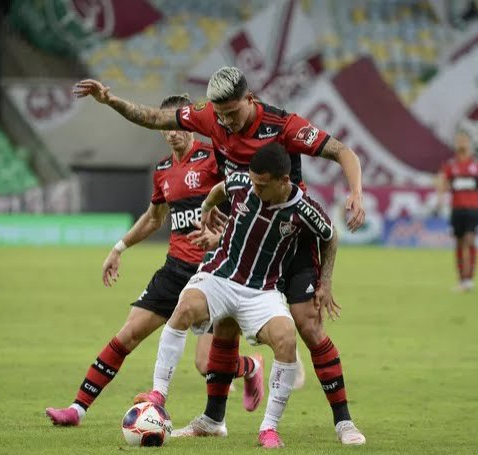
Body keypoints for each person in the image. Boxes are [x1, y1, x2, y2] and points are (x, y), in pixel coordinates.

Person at [73, 66, 366, 444]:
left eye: (232, 112)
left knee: (308, 326)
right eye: (220, 114)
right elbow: (154, 118)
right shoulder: (210, 116)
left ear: (250, 99)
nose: (225, 121)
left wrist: (355, 192)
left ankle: (343, 421)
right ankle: (213, 419)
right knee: (223, 320)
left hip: (287, 233)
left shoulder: (284, 124)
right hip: (241, 234)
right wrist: (110, 100)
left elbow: (343, 151)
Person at [45, 94, 264, 427]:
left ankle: (249, 367)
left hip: (213, 272)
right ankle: (77, 409)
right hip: (175, 269)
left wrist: (224, 234)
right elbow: (153, 217)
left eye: (177, 124)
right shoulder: (163, 170)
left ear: (188, 124)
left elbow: (246, 196)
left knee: (206, 364)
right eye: (166, 126)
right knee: (127, 334)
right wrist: (119, 247)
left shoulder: (214, 156)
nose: (172, 132)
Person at [133, 144, 339, 448]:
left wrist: (326, 281)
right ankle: (158, 394)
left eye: (262, 184)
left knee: (287, 339)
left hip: (262, 291)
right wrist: (206, 210)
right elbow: (219, 189)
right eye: (253, 181)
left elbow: (331, 236)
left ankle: (268, 429)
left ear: (284, 181)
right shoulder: (243, 182)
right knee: (185, 307)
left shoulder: (304, 209)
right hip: (220, 274)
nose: (254, 188)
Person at [436, 131, 478, 292]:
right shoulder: (450, 165)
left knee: (470, 240)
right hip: (457, 209)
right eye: (459, 141)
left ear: (469, 143)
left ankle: (469, 279)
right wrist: (440, 199)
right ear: (455, 144)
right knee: (459, 243)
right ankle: (462, 280)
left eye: (464, 141)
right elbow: (443, 184)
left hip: (473, 209)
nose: (461, 143)